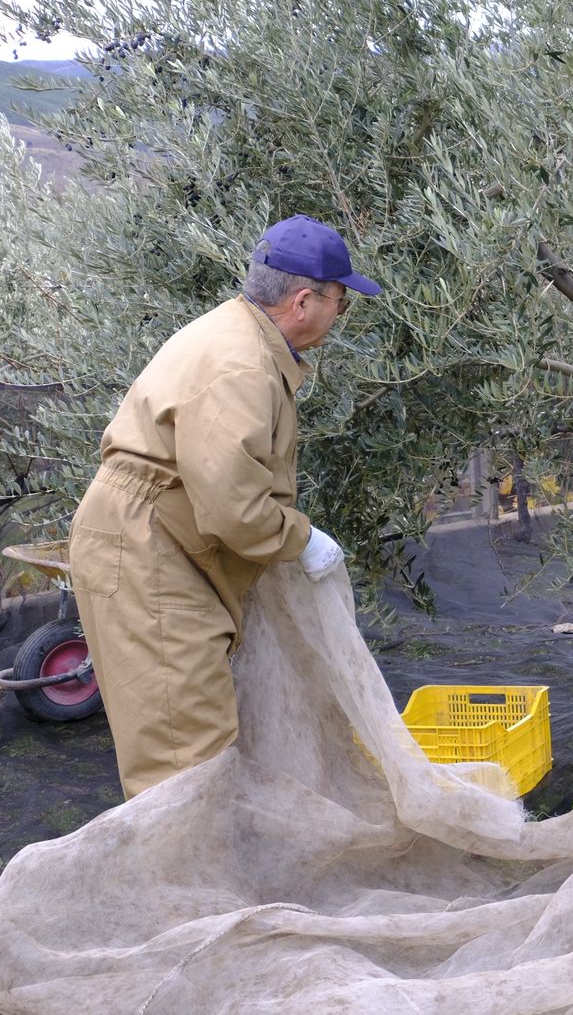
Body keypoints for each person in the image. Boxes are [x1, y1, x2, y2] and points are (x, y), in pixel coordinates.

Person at [68, 214, 382, 797]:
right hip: (149, 549)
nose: (342, 312)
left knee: (191, 736)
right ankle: (188, 887)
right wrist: (300, 536)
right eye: (342, 299)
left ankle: (206, 880)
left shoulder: (241, 338)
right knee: (185, 757)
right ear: (305, 301)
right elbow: (233, 508)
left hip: (162, 539)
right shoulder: (241, 364)